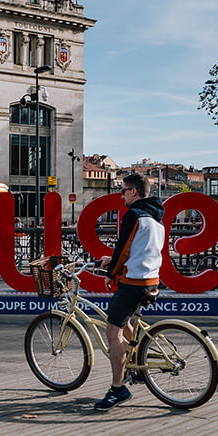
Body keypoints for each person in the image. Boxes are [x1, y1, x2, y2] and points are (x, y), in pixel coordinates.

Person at [94, 173, 165, 412]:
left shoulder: (133, 215)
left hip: (133, 281)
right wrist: (111, 260)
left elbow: (123, 249)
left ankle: (117, 389)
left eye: (123, 190)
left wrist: (111, 273)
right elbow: (138, 249)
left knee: (112, 331)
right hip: (150, 278)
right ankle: (134, 365)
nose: (121, 194)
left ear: (133, 191)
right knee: (125, 323)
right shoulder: (155, 217)